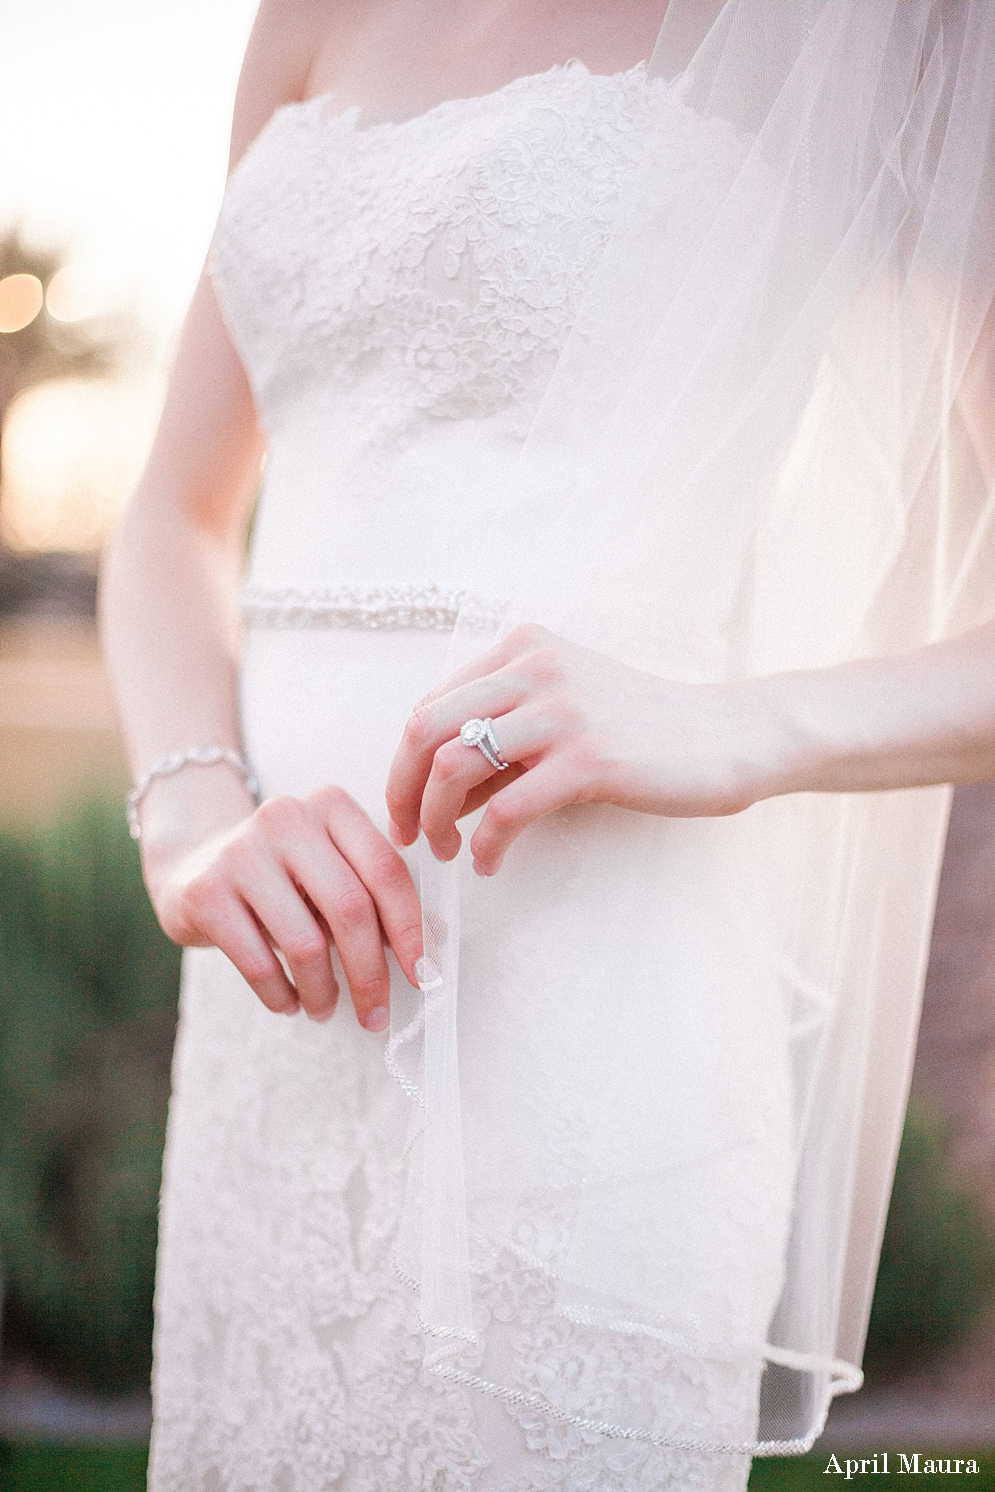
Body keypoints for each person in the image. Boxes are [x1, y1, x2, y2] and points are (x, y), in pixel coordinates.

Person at [100, 1, 995, 1488]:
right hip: (275, 1043)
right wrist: (191, 817)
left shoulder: (882, 29)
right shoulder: (311, 13)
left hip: (587, 1066)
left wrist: (740, 723)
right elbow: (172, 514)